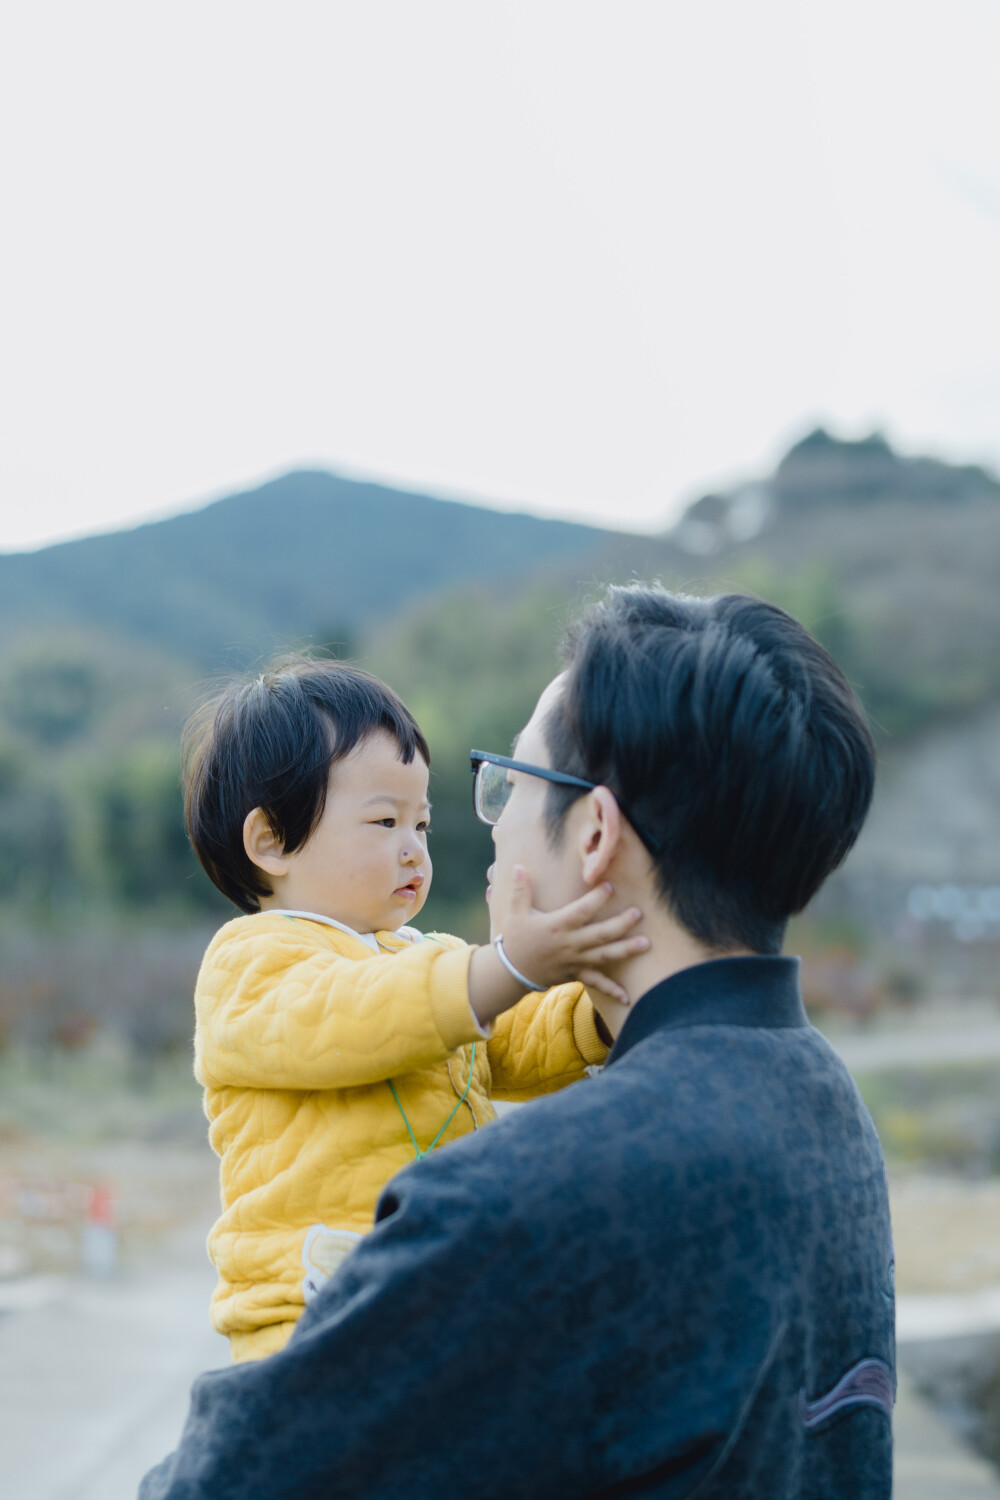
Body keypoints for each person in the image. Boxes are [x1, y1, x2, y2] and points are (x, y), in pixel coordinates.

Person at [143, 586, 894, 1499]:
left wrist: (561, 999)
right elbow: (368, 1014)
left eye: (507, 787)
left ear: (595, 835)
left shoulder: (503, 1205)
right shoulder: (821, 1105)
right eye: (389, 823)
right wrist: (526, 970)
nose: (460, 836)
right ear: (270, 840)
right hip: (291, 1297)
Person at [181, 657, 645, 1360]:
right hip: (312, 1311)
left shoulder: (416, 955)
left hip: (432, 1294)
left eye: (422, 824)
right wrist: (503, 966)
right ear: (271, 842)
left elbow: (508, 1038)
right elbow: (348, 1019)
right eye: (385, 820)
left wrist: (596, 1012)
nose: (413, 851)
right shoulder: (249, 963)